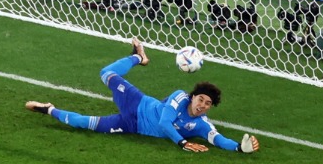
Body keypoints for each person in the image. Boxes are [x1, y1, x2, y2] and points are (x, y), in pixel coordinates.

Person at [25, 39, 260, 154]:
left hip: (130, 125)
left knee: (81, 123)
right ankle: (138, 57)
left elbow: (216, 138)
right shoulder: (179, 97)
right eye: (200, 99)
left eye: (207, 104)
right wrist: (183, 143)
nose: (202, 105)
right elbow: (164, 123)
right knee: (106, 73)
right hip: (137, 103)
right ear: (193, 96)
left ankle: (48, 109)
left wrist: (239, 147)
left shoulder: (201, 124)